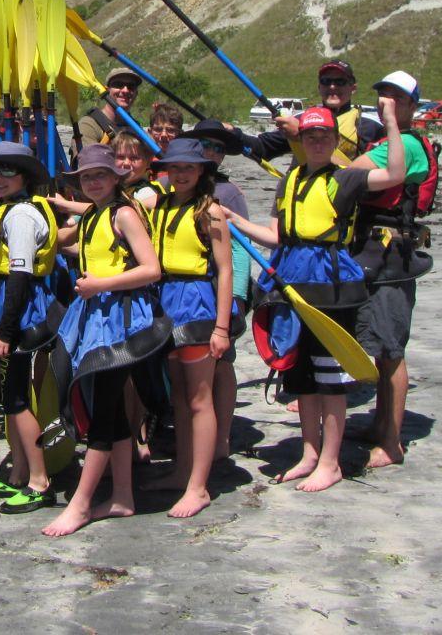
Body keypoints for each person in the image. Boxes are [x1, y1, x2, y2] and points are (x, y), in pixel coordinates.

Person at [222, 101, 405, 493]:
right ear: (301, 141)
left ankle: (331, 462)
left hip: (331, 287)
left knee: (330, 380)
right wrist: (237, 222)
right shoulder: (289, 181)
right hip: (292, 282)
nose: (318, 142)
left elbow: (395, 173)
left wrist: (389, 123)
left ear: (335, 140)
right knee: (301, 378)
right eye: (310, 136)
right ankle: (309, 453)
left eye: (324, 135)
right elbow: (278, 236)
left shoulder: (349, 178)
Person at [42, 145, 167, 537]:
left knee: (102, 409)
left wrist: (101, 285)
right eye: (86, 177)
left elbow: (152, 269)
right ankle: (123, 496)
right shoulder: (95, 213)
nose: (93, 182)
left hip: (122, 319)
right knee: (109, 410)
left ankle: (80, 505)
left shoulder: (125, 214)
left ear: (116, 178)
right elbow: (81, 243)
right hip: (97, 314)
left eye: (100, 175)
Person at [0, 142, 64, 514]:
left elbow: (19, 275)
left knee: (17, 399)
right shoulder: (10, 208)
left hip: (17, 307)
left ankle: (39, 482)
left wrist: (5, 332)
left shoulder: (20, 216)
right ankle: (20, 473)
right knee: (11, 394)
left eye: (7, 171)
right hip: (6, 299)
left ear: (24, 177)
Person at [348, 70, 438, 470]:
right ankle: (381, 423)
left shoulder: (406, 146)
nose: (387, 102)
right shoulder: (392, 142)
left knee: (390, 349)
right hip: (376, 249)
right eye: (382, 95)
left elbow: (353, 171)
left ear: (412, 106)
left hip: (390, 255)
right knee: (380, 346)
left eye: (396, 98)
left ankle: (391, 441)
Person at [143, 138, 234, 519]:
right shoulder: (160, 205)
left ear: (201, 172)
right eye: (174, 167)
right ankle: (182, 472)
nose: (181, 173)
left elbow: (226, 270)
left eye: (188, 167)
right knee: (178, 397)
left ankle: (198, 487)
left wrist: (222, 328)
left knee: (199, 399)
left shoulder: (210, 211)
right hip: (166, 302)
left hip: (196, 303)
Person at [179, 119, 253, 458]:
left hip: (217, 295)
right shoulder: (177, 190)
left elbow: (237, 252)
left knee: (222, 366)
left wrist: (236, 299)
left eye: (220, 149)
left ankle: (222, 436)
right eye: (207, 146)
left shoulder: (228, 194)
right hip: (185, 298)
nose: (214, 152)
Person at [231, 60, 384, 170]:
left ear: (353, 88)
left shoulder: (371, 127)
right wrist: (231, 133)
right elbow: (262, 148)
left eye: (340, 82)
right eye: (326, 81)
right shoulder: (301, 119)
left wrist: (301, 135)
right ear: (319, 87)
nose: (332, 86)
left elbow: (369, 176)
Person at [75, 67, 141, 149]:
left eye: (131, 86)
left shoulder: (137, 129)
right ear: (106, 90)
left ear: (136, 93)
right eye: (118, 85)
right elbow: (86, 160)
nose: (125, 90)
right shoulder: (89, 125)